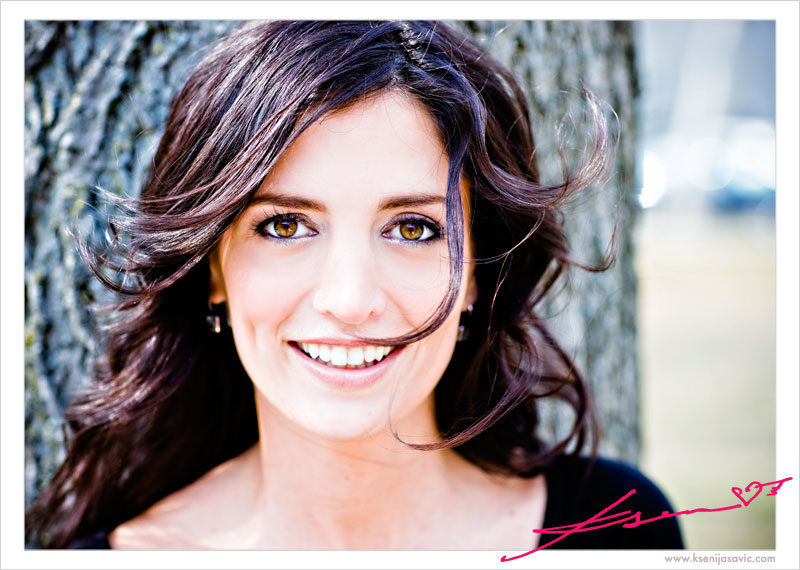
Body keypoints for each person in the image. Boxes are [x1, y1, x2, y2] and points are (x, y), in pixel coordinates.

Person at [26, 20, 682, 551]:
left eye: (413, 229)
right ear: (214, 272)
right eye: (285, 226)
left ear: (477, 276)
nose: (349, 300)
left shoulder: (617, 528)